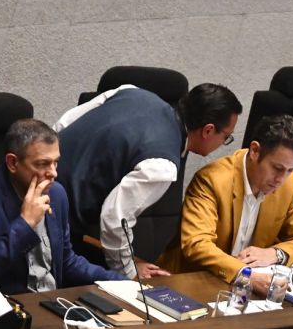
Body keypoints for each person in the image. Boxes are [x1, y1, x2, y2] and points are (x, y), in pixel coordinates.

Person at [55, 83, 242, 279]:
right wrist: (129, 271)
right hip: (57, 225)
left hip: (36, 186)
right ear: (208, 130)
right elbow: (115, 220)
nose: (223, 143)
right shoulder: (162, 164)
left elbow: (62, 126)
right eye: (226, 137)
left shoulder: (130, 91)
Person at [0, 119, 125, 295]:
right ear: (13, 163)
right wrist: (25, 223)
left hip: (52, 300)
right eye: (42, 164)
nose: (53, 173)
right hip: (8, 302)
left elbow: (66, 261)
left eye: (55, 162)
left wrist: (122, 283)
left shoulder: (56, 194)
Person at [157, 115, 293, 290]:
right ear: (255, 151)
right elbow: (197, 244)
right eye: (277, 168)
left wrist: (275, 254)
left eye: (290, 170)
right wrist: (246, 276)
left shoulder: (288, 182)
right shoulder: (212, 180)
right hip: (195, 283)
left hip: (247, 291)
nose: (281, 179)